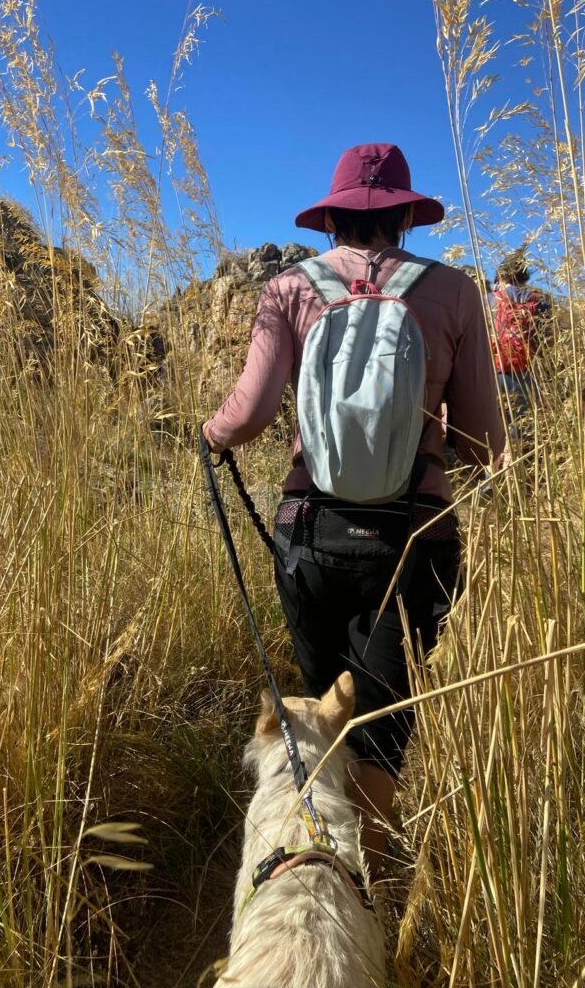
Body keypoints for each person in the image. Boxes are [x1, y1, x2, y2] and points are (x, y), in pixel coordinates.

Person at [202, 143, 504, 875]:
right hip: (413, 537)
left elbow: (249, 413)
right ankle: (363, 886)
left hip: (311, 532)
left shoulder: (288, 288)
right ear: (404, 216)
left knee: (322, 707)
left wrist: (208, 434)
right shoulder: (455, 292)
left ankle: (312, 866)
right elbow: (486, 444)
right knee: (383, 718)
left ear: (331, 216)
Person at [491, 249, 551, 445]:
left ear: (500, 275)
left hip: (490, 373)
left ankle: (491, 474)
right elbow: (548, 341)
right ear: (524, 276)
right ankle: (512, 469)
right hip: (525, 373)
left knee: (490, 433)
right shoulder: (539, 301)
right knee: (515, 431)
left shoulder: (487, 301)